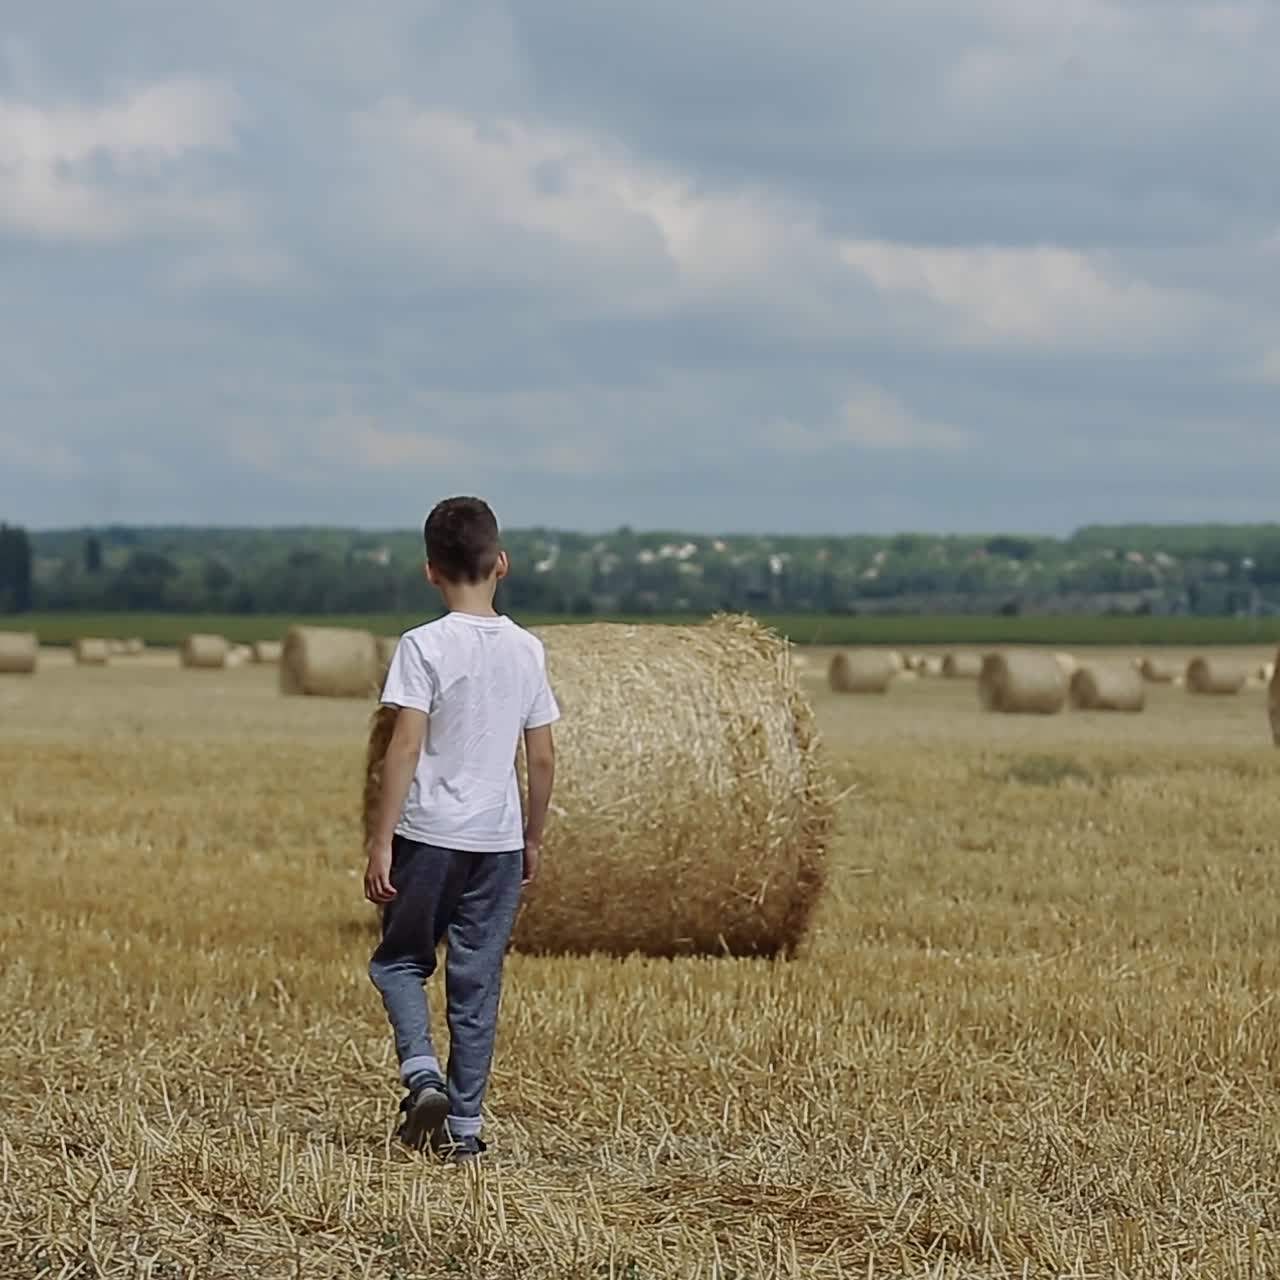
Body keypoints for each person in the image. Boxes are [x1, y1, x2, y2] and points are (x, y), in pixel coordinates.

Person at [365, 496, 558, 1162]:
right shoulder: (528, 649)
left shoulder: (422, 645)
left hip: (430, 835)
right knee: (477, 981)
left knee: (399, 963)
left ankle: (421, 1073)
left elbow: (405, 747)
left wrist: (381, 838)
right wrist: (532, 837)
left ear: (430, 572)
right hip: (498, 840)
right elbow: (542, 756)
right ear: (501, 563)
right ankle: (466, 1133)